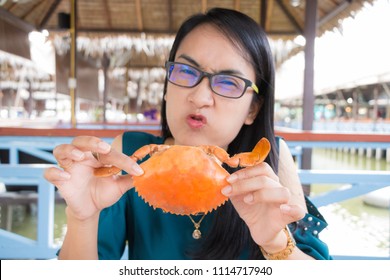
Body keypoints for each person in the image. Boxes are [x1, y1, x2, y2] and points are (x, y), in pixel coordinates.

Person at [44, 8, 331, 260]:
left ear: (253, 110)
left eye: (229, 83)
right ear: (167, 87)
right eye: (185, 72)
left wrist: (275, 242)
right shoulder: (130, 157)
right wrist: (82, 217)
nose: (200, 96)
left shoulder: (269, 162)